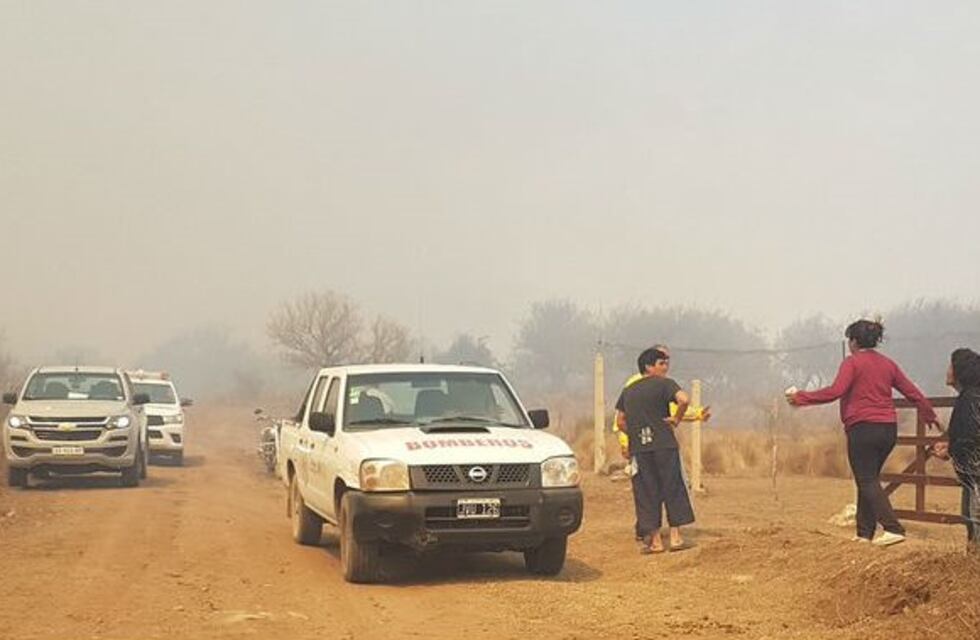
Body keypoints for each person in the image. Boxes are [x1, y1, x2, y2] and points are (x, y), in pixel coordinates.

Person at [787, 319, 940, 547]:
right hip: (888, 429)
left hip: (863, 428)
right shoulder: (888, 364)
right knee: (869, 480)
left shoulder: (852, 363)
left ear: (854, 341)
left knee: (866, 479)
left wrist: (801, 397)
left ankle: (892, 527)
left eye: (850, 339)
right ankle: (864, 534)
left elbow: (835, 391)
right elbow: (912, 391)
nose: (849, 344)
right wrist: (929, 415)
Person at [616, 346, 695, 554]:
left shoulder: (628, 391)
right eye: (661, 363)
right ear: (648, 366)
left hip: (640, 448)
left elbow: (620, 421)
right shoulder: (665, 385)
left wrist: (634, 434)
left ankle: (656, 542)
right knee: (672, 487)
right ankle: (676, 538)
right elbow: (684, 400)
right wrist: (676, 419)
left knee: (646, 492)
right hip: (665, 445)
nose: (666, 367)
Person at [932, 348, 980, 551]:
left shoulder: (970, 399)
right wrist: (951, 446)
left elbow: (971, 437)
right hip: (972, 472)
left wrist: (950, 451)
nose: (947, 370)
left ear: (959, 371)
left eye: (951, 365)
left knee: (974, 517)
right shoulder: (970, 397)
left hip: (975, 473)